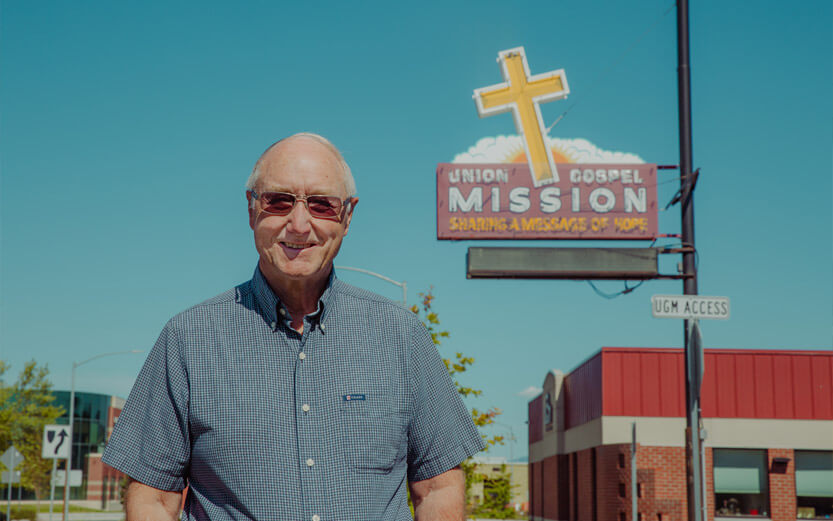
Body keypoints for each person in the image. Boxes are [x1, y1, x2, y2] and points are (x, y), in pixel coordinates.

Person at [102, 132, 485, 521]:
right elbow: (153, 498)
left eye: (321, 205)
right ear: (251, 210)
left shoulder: (403, 336)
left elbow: (438, 487)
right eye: (279, 201)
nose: (299, 225)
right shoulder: (187, 339)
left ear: (347, 217)